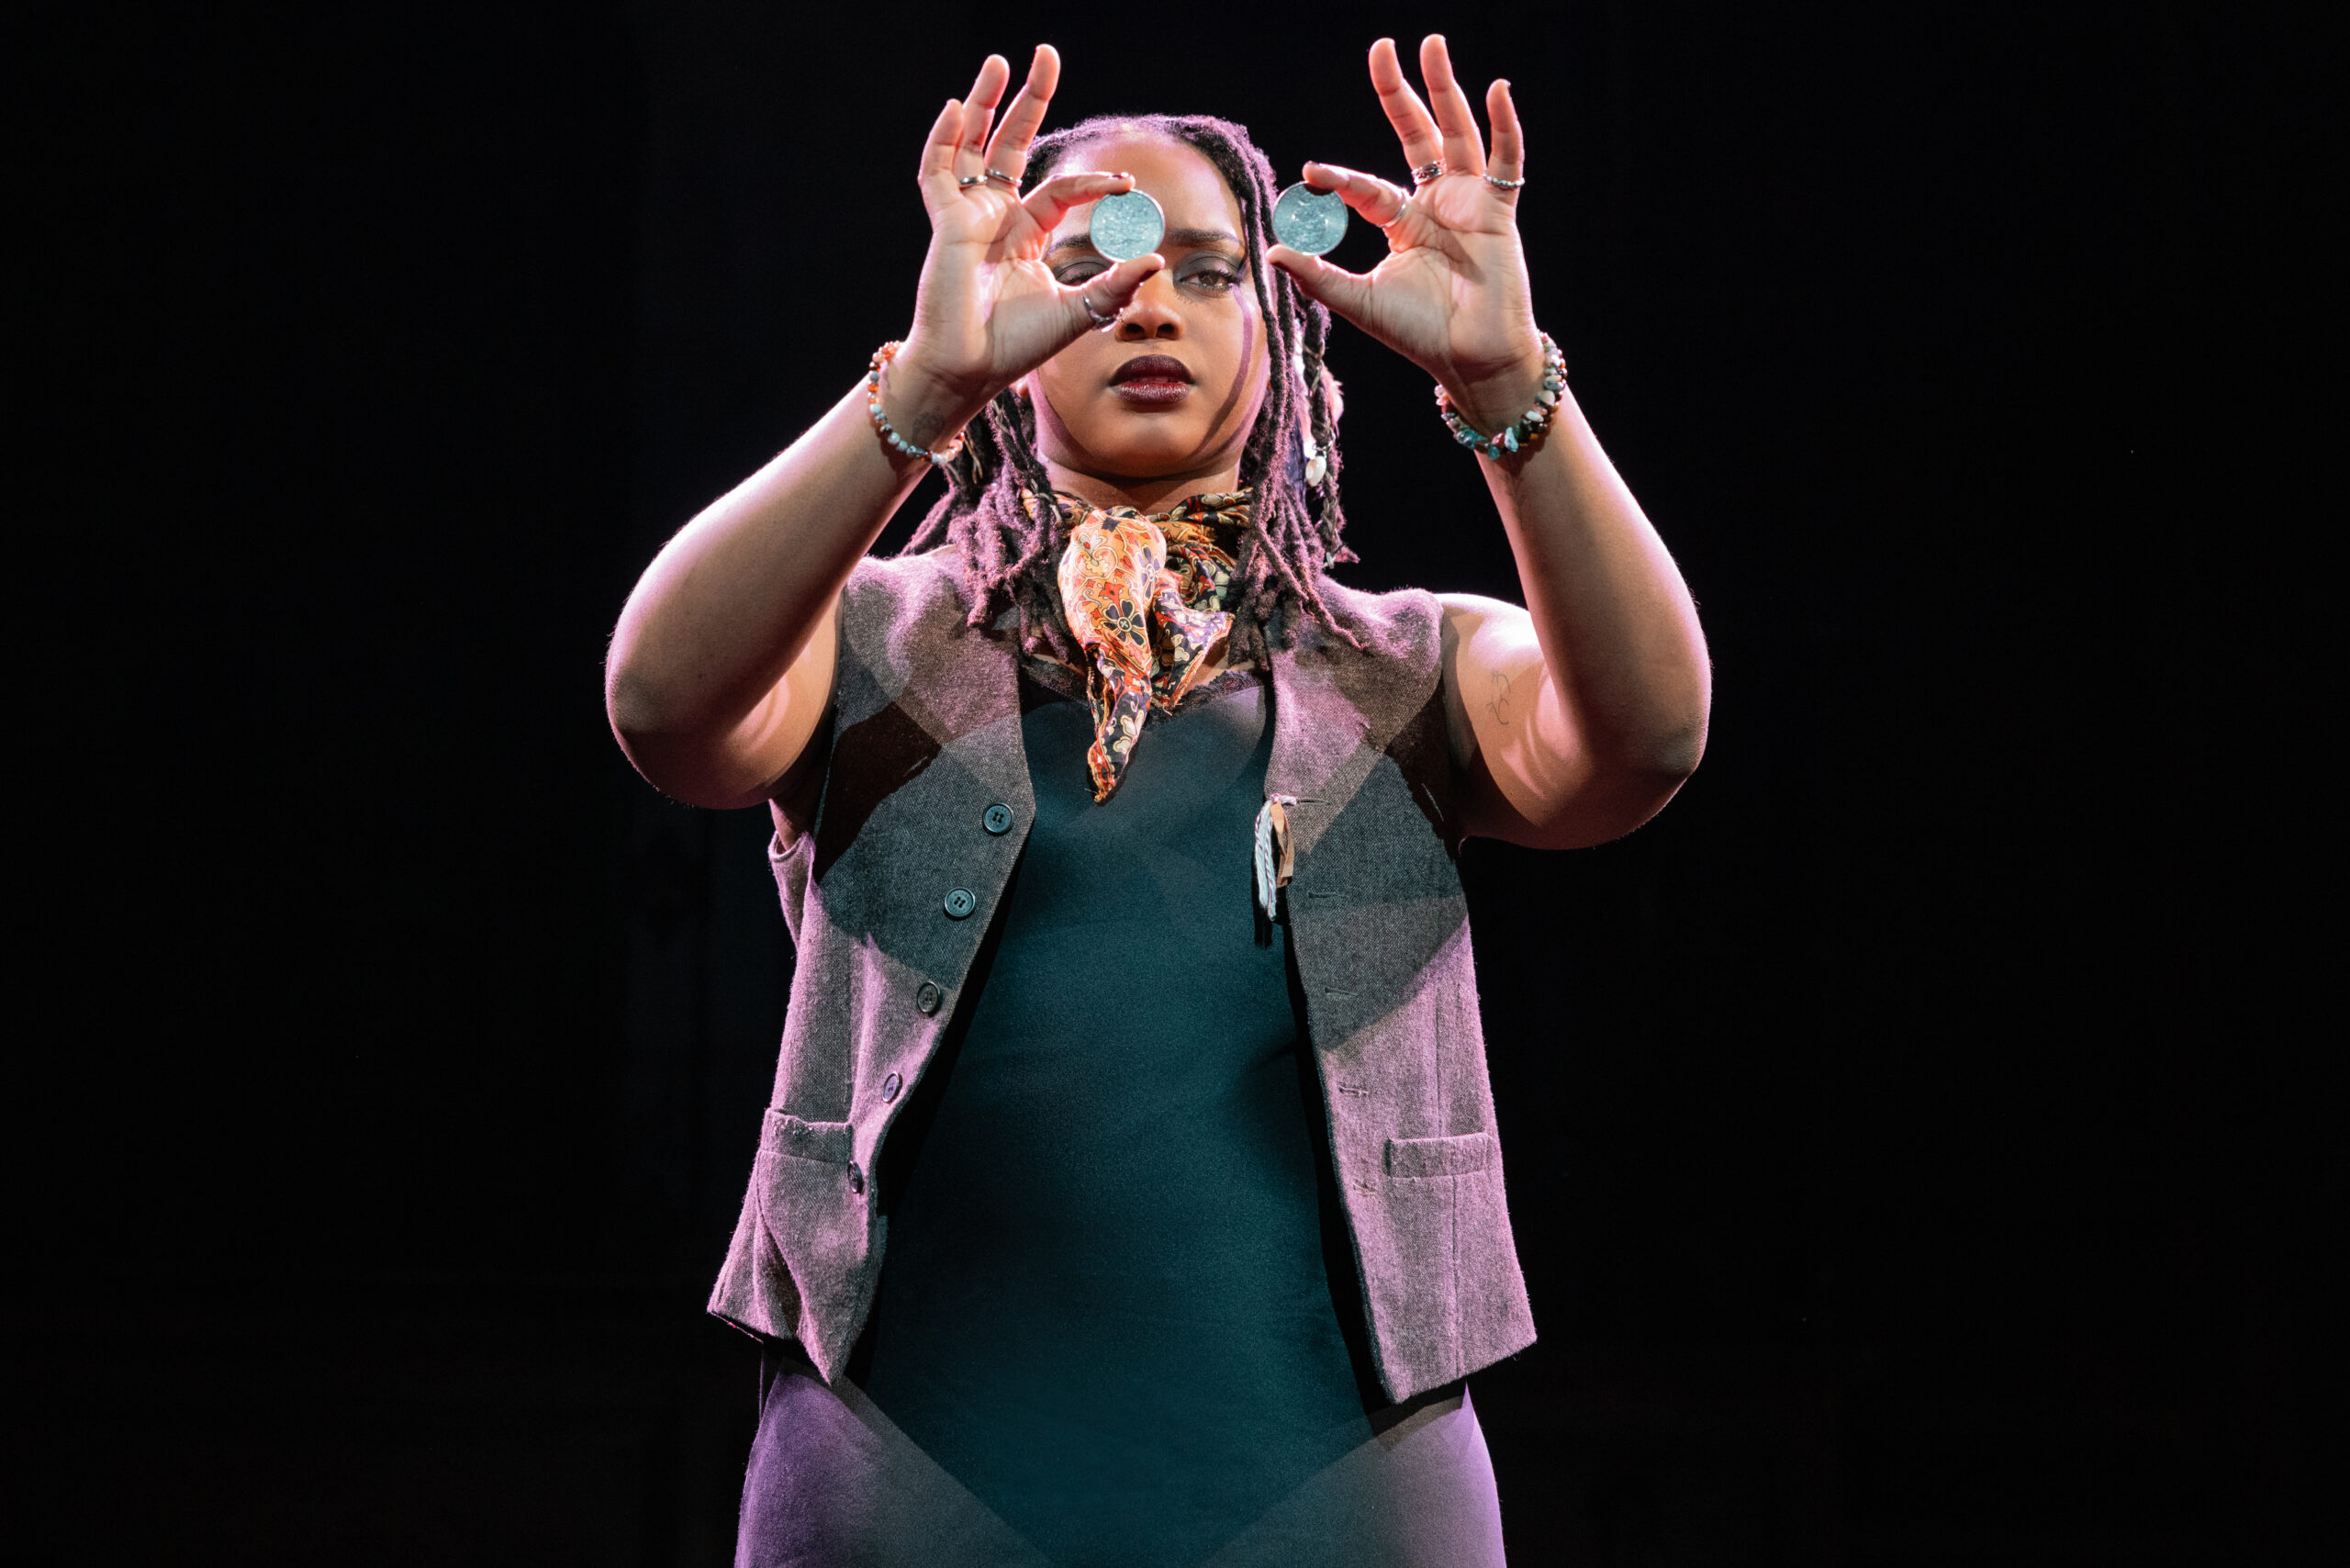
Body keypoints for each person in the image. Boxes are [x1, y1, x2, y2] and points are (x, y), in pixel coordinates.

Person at [607, 34, 1710, 1568]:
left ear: (1286, 329)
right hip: (907, 1462)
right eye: (1092, 266)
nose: (1149, 306)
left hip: (1331, 1472)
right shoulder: (860, 640)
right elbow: (662, 705)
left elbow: (1651, 736)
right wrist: (918, 391)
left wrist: (1507, 382)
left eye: (1207, 270)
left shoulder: (1418, 666)